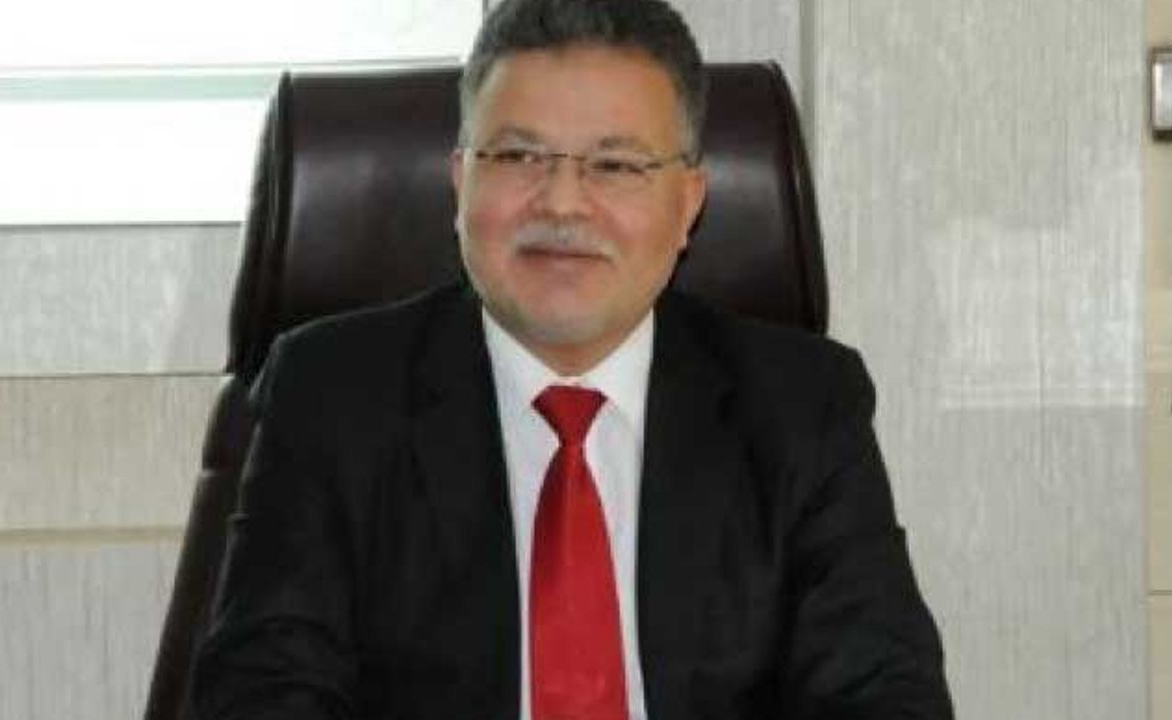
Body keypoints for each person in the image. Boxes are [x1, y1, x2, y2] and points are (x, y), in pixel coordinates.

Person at [192, 0, 954, 718]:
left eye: (615, 165)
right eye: (519, 155)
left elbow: (883, 697)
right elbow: (263, 696)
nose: (561, 203)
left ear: (689, 202)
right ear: (461, 182)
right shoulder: (332, 398)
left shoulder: (801, 407)